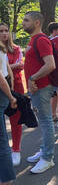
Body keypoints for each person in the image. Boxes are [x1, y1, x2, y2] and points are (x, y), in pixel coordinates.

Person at [22, 11, 56, 173]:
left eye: (26, 20)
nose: (23, 22)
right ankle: (44, 149)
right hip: (37, 88)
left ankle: (48, 158)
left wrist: (32, 78)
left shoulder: (41, 40)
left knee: (46, 121)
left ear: (36, 22)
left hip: (41, 87)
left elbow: (50, 65)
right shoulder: (34, 39)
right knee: (44, 121)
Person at [0, 23, 24, 166]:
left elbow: (20, 64)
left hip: (16, 87)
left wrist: (7, 67)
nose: (4, 33)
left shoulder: (15, 48)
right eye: (1, 31)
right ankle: (4, 150)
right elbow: (14, 66)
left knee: (16, 119)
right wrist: (9, 67)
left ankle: (16, 149)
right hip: (2, 87)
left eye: (6, 31)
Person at [0, 41, 18, 185]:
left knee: (1, 140)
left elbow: (1, 77)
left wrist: (11, 96)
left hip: (2, 93)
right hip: (4, 92)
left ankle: (6, 180)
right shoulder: (2, 48)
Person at [47, 22, 58, 127]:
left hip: (56, 72)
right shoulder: (49, 41)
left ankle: (53, 114)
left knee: (55, 95)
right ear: (55, 31)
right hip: (53, 72)